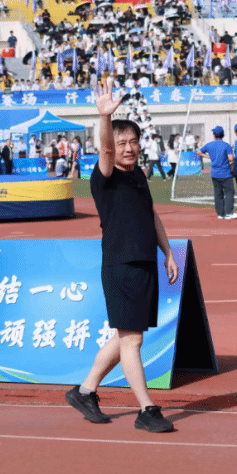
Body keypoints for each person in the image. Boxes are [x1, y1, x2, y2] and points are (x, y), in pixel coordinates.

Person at [65, 79, 179, 433]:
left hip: (145, 262)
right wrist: (105, 117)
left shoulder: (139, 175)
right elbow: (104, 149)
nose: (128, 148)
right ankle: (147, 409)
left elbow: (151, 215)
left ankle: (84, 391)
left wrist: (168, 252)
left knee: (125, 335)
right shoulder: (105, 177)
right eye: (121, 143)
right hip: (121, 264)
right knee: (132, 340)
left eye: (133, 142)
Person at [198, 126, 237, 219]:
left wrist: (208, 157)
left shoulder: (209, 145)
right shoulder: (226, 145)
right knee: (229, 193)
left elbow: (199, 152)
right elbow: (231, 158)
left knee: (218, 194)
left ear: (214, 135)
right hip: (225, 173)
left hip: (215, 173)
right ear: (222, 134)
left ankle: (220, 213)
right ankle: (229, 213)